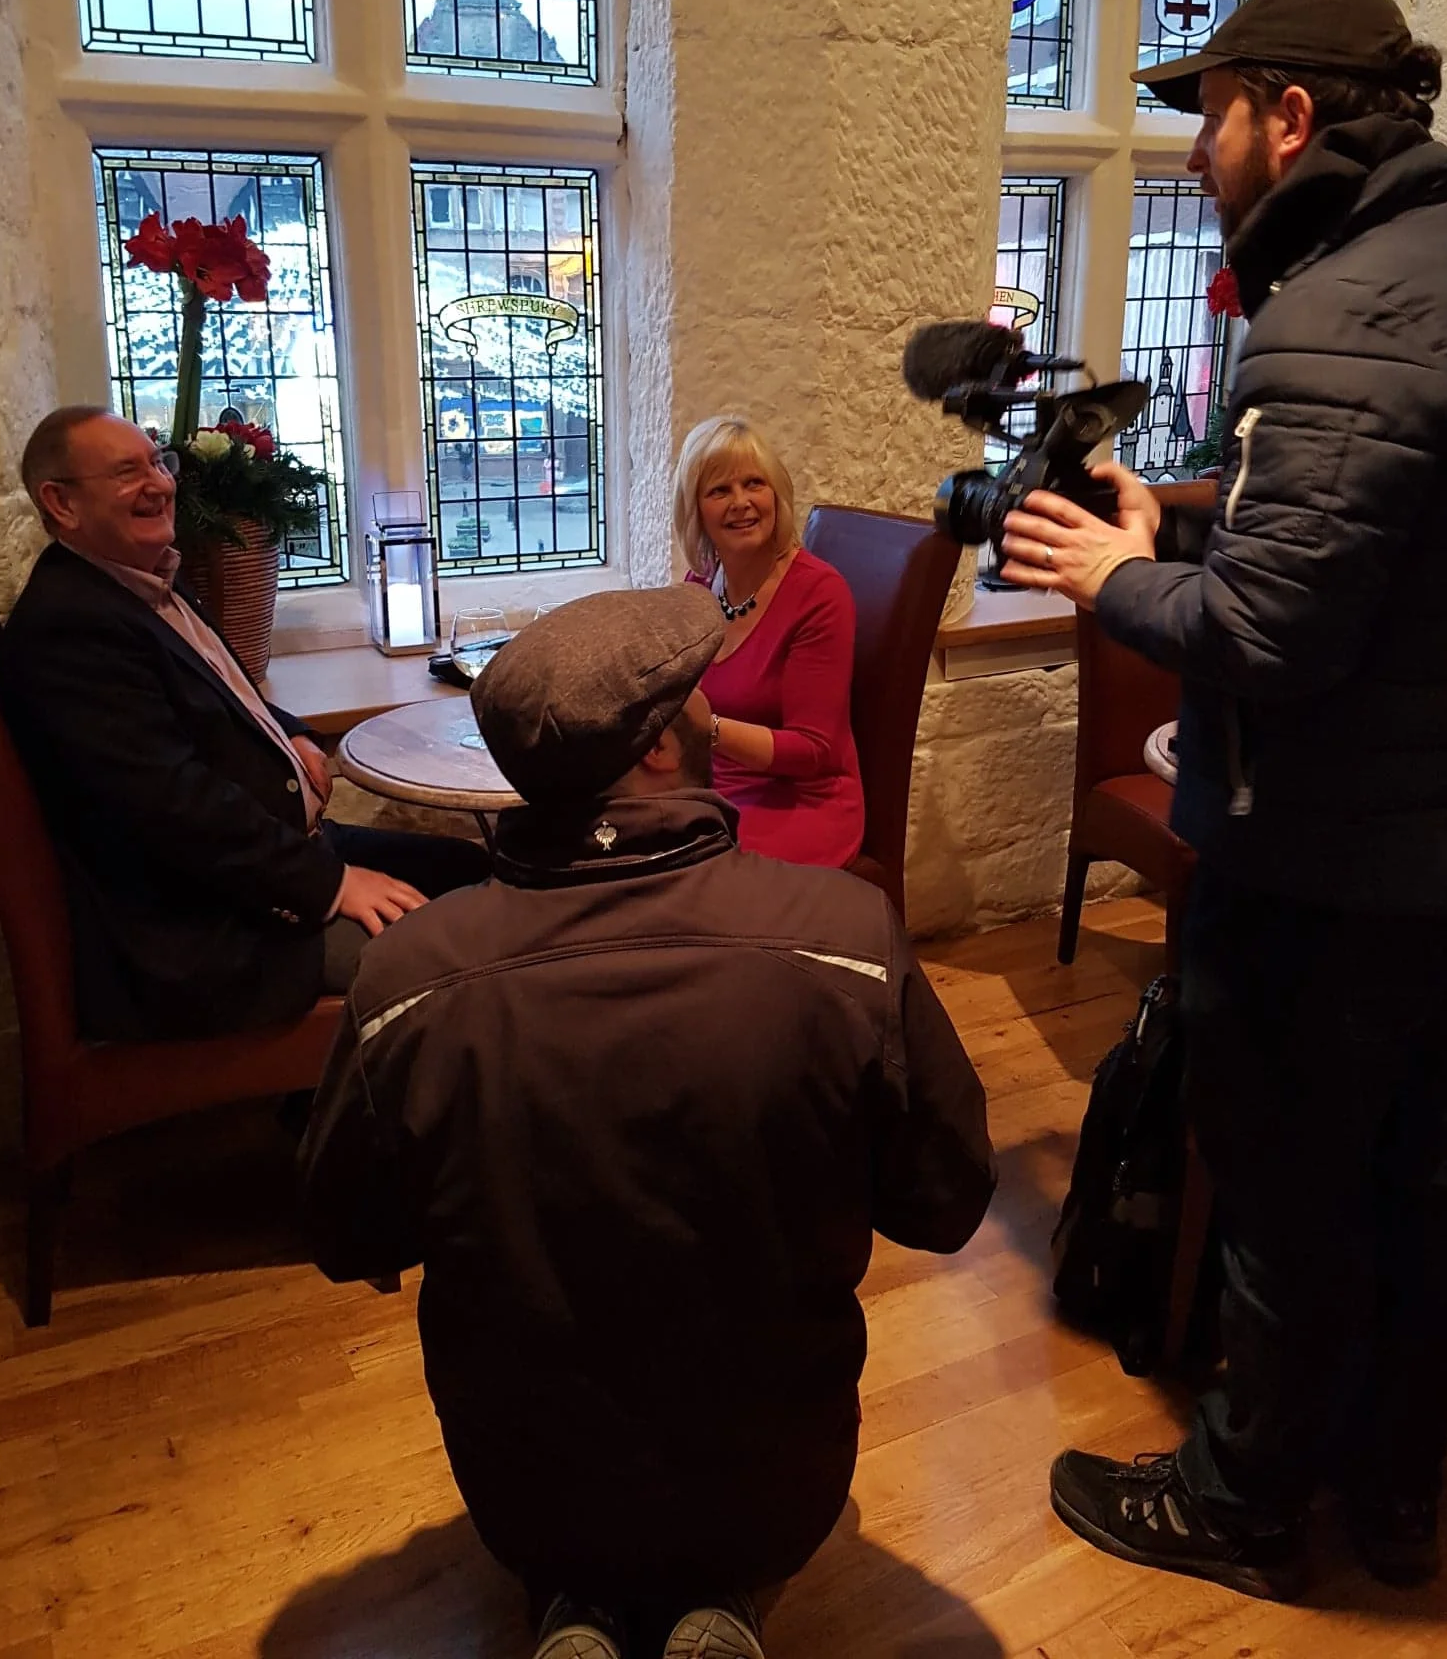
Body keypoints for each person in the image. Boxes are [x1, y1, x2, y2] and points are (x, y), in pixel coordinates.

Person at [999, 0, 1447, 1599]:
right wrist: (1186, 512)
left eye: (1204, 116)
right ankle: (1395, 1493)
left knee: (1282, 1186)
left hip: (1321, 857)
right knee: (1415, 1168)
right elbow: (1389, 551)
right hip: (1434, 857)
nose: (1188, 154)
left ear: (1286, 116)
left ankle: (1239, 1499)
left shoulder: (1334, 308)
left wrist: (1102, 573)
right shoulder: (1438, 268)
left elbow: (1272, 636)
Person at [299, 586, 995, 1659]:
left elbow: (349, 1233)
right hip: (776, 1479)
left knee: (557, 1479)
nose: (715, 715)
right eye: (700, 702)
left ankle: (575, 1606)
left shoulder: (407, 978)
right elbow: (945, 1203)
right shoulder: (844, 939)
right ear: (664, 753)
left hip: (523, 1485)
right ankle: (717, 1605)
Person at [0, 405, 486, 1041]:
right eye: (127, 471)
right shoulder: (69, 629)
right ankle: (385, 1120)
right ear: (60, 503)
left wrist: (295, 730)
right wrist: (333, 885)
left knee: (480, 873)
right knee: (477, 951)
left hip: (271, 868)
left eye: (157, 461)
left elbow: (222, 690)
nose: (160, 483)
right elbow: (173, 810)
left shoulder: (139, 582)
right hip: (210, 934)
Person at [672, 414, 864, 867]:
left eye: (754, 483)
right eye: (719, 490)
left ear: (776, 494)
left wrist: (707, 726)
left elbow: (815, 751)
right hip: (714, 788)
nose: (741, 503)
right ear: (696, 510)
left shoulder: (819, 593)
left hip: (801, 803)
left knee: (676, 872)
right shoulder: (699, 584)